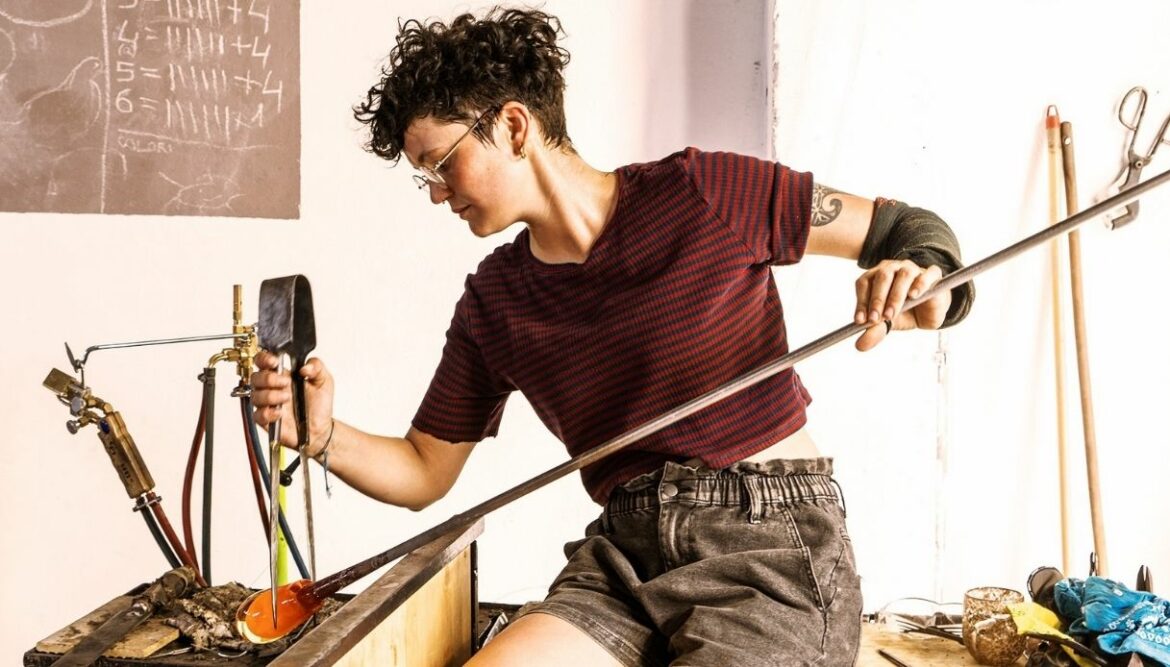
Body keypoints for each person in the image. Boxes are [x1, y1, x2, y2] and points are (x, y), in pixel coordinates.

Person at [251, 6, 974, 666]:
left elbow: (907, 230)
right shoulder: (494, 302)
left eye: (440, 163)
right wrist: (319, 434)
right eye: (425, 178)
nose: (438, 192)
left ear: (513, 127)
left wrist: (924, 280)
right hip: (625, 555)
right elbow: (423, 470)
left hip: (767, 542)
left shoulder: (702, 192)